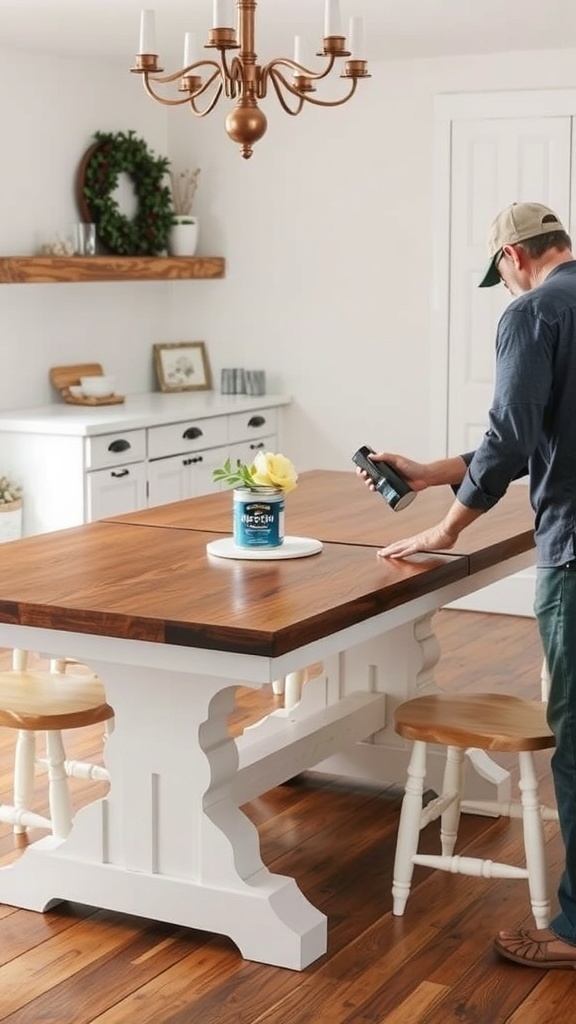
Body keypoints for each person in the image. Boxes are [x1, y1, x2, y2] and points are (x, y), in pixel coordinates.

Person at [358, 201, 576, 969]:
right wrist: (433, 471)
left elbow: (513, 434)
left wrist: (444, 530)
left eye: (503, 274)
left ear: (515, 256)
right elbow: (536, 433)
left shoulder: (533, 313)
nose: (506, 285)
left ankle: (572, 930)